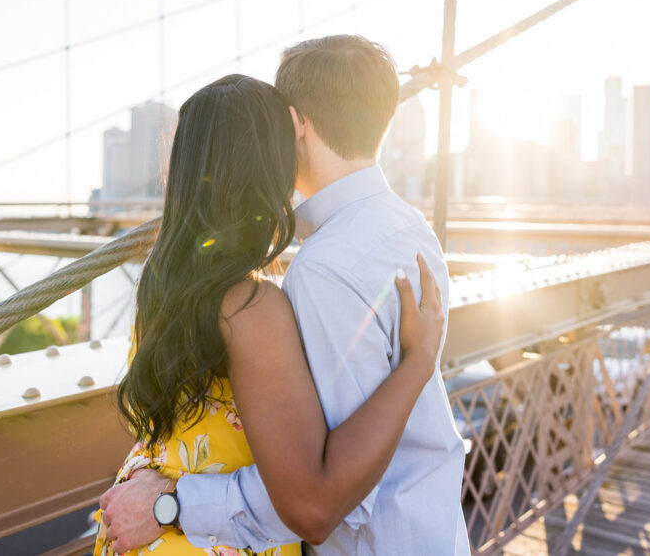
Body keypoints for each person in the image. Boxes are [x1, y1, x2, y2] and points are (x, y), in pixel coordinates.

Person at [100, 35, 469, 555]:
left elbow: (318, 501)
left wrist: (172, 504)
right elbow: (315, 493)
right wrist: (418, 362)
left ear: (297, 124)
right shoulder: (410, 229)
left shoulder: (166, 282)